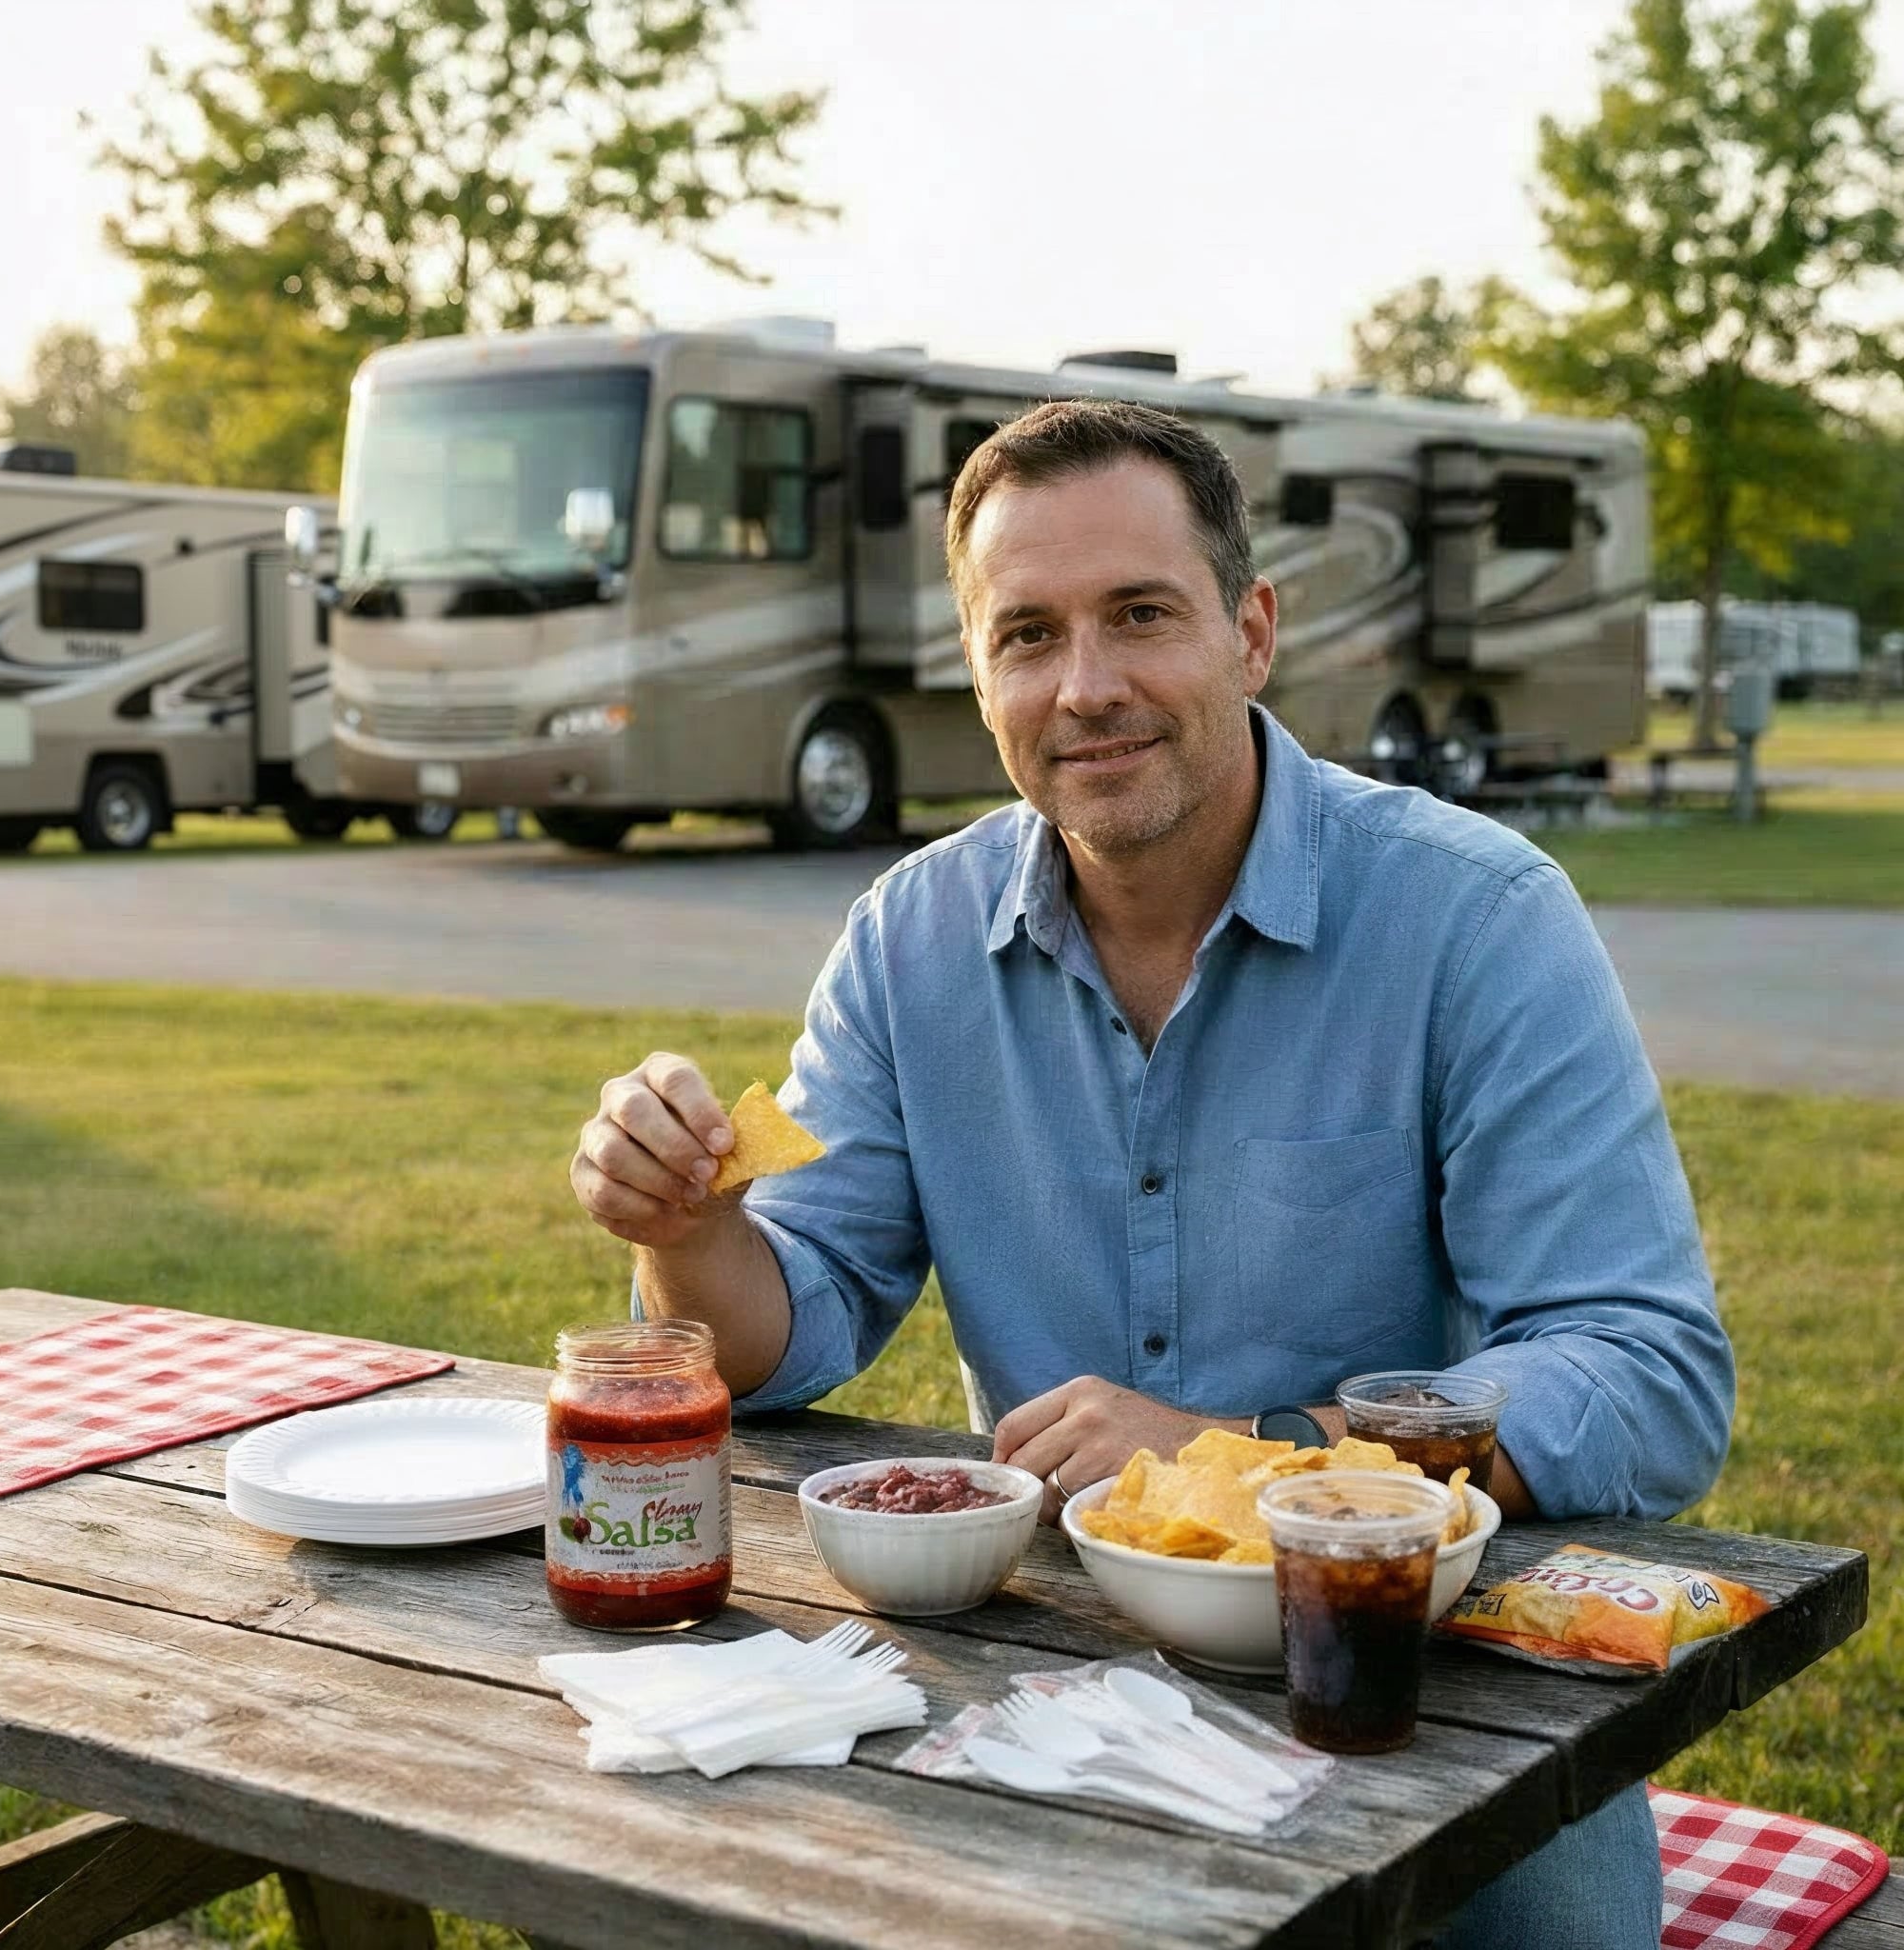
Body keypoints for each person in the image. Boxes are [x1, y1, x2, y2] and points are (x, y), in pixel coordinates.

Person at [570, 399, 1734, 1948]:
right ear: (980, 677)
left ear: (1251, 633)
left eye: (1139, 617)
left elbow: (1648, 1371)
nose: (1087, 687)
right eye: (1027, 635)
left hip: (1426, 1694)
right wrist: (692, 1225)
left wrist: (1251, 1460)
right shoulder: (911, 942)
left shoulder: (1475, 919)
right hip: (1048, 1678)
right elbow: (791, 1329)